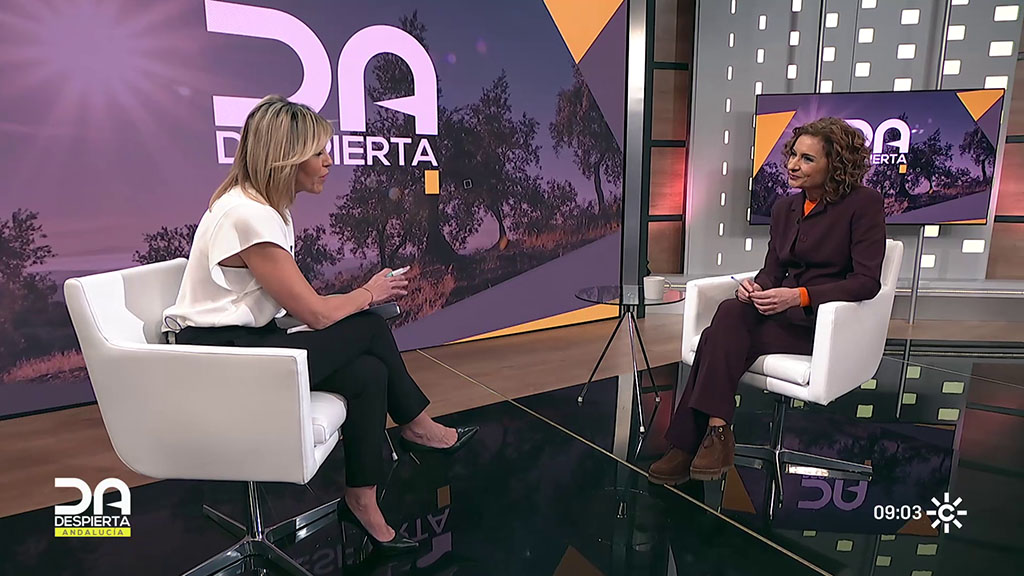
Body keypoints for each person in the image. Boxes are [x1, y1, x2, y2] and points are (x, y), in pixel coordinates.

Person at [162, 95, 477, 554]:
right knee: (370, 327)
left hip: (248, 343)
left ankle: (361, 500)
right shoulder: (249, 216)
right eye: (318, 152)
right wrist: (369, 293)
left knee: (368, 374)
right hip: (221, 358)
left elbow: (300, 305)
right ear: (285, 158)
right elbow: (316, 315)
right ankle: (417, 426)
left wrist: (349, 303)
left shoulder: (261, 208)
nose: (329, 161)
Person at [648, 117, 886, 485]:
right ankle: (716, 431)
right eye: (793, 155)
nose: (793, 165)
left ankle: (688, 444)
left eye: (807, 159)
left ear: (835, 165)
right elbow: (773, 269)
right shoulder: (785, 208)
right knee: (731, 310)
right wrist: (756, 288)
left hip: (823, 324)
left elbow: (866, 282)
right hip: (778, 314)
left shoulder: (863, 204)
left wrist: (799, 296)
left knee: (715, 338)